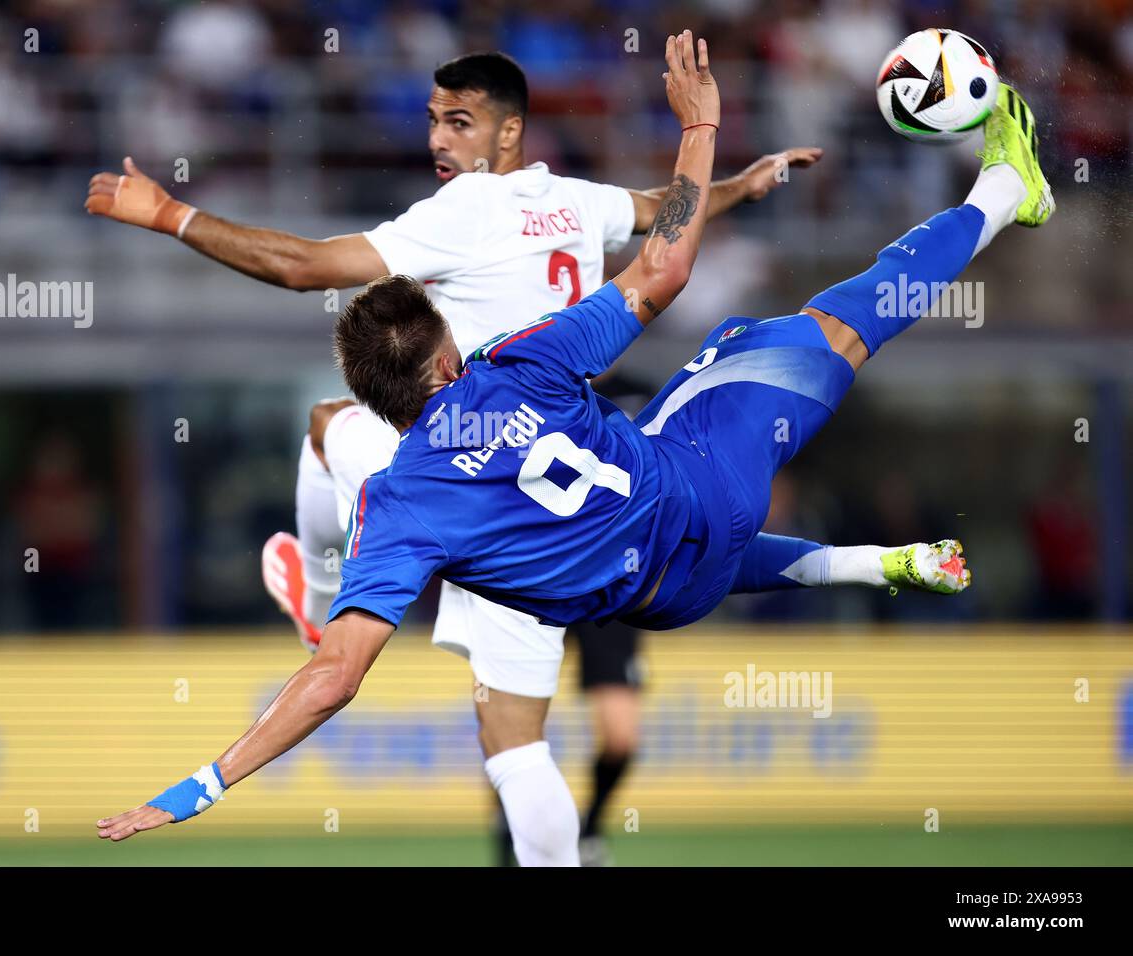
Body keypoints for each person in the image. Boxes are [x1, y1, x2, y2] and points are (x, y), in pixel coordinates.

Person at [98, 31, 1050, 862]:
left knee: (502, 718)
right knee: (842, 324)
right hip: (694, 483)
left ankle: (315, 579)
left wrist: (201, 786)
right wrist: (704, 131)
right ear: (448, 353)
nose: (437, 137)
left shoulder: (400, 501)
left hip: (662, 595)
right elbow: (664, 252)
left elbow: (335, 679)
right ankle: (1006, 188)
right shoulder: (524, 350)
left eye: (453, 121)